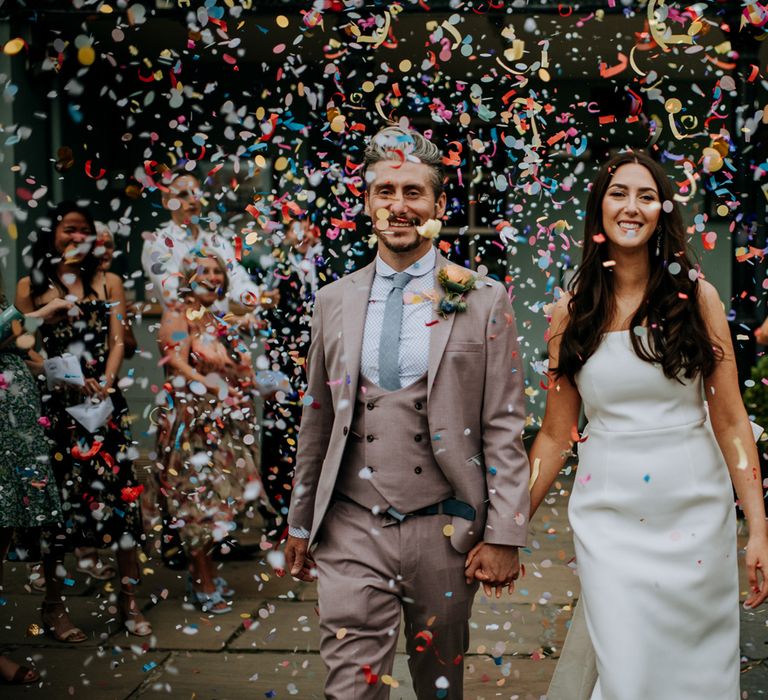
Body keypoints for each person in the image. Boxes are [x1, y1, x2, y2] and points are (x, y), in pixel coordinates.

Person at [283, 125, 530, 699]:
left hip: (443, 532)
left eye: (414, 193)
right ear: (366, 202)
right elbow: (317, 417)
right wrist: (300, 521)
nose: (399, 206)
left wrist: (505, 533)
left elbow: (502, 425)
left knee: (440, 688)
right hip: (350, 524)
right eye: (385, 192)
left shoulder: (482, 297)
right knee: (351, 689)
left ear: (438, 206)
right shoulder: (332, 300)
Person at [528, 150, 768, 699]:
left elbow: (731, 421)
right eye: (618, 193)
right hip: (608, 520)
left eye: (644, 195)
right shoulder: (571, 311)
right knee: (628, 675)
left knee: (697, 678)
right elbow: (555, 434)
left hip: (696, 520)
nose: (631, 207)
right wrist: (510, 523)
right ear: (599, 209)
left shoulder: (698, 299)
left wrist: (757, 525)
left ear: (662, 212)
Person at [15, 201, 151, 640]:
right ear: (52, 234)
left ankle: (128, 600)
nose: (77, 238)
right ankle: (54, 606)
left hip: (103, 407)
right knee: (58, 511)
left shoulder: (109, 281)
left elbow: (117, 340)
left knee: (121, 502)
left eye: (84, 231)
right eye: (69, 230)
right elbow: (24, 346)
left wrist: (106, 382)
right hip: (54, 411)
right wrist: (63, 376)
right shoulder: (30, 286)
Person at [156, 251, 270, 613]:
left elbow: (237, 367)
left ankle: (202, 570)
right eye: (203, 270)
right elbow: (174, 359)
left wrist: (246, 378)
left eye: (217, 271)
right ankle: (201, 578)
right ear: (189, 277)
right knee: (197, 505)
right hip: (192, 426)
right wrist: (207, 381)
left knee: (223, 503)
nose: (211, 276)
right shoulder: (178, 313)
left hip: (224, 426)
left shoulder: (220, 319)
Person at [0, 287, 76, 682]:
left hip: (14, 441)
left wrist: (47, 372)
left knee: (4, 534)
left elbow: (6, 353)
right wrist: (42, 312)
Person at [258, 219, 324, 523]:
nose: (300, 234)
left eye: (306, 228)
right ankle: (277, 508)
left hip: (317, 360)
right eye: (293, 229)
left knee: (312, 427)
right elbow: (260, 312)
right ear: (285, 236)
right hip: (278, 360)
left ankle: (313, 505)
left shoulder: (328, 266)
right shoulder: (275, 268)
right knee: (277, 427)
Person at [141, 169, 278, 312]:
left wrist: (259, 297)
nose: (192, 200)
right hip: (184, 331)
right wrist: (234, 323)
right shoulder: (157, 243)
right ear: (166, 202)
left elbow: (237, 282)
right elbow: (175, 295)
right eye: (183, 195)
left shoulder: (219, 243)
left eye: (195, 194)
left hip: (221, 333)